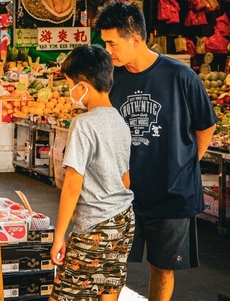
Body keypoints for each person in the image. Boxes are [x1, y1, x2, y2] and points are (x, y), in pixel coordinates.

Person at [97, 1, 218, 301]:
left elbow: (206, 125)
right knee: (111, 266)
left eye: (112, 43)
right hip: (123, 194)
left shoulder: (181, 76)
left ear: (135, 39)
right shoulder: (111, 80)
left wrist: (188, 163)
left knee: (162, 269)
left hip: (172, 193)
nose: (108, 50)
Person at [50, 44, 135, 301]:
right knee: (107, 291)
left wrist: (59, 236)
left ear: (83, 85)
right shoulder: (120, 121)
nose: (69, 92)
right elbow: (125, 178)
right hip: (123, 222)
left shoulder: (83, 124)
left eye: (69, 85)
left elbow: (73, 183)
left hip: (94, 227)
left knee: (64, 296)